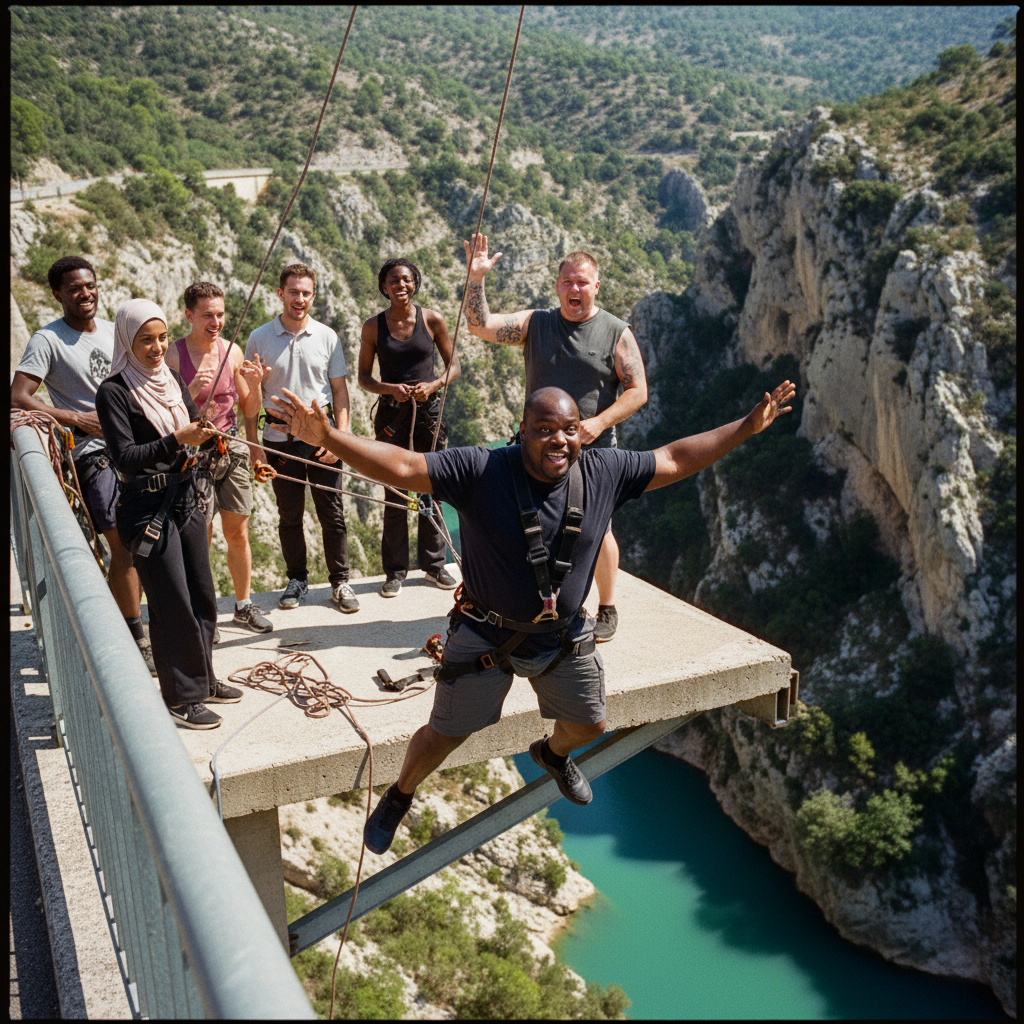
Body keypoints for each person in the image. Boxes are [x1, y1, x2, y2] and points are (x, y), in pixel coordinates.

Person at [268, 377, 796, 854]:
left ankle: (552, 754)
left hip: (563, 637)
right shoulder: (480, 469)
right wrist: (331, 438)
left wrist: (746, 428)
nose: (558, 441)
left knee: (590, 724)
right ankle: (400, 794)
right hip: (483, 636)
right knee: (443, 736)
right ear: (520, 431)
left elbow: (676, 459)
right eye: (544, 430)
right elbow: (405, 467)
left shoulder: (603, 471)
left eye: (568, 429)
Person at [463, 236, 649, 644]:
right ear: (558, 286)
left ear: (596, 286)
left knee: (597, 530)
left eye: (582, 282)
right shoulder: (538, 323)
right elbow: (479, 326)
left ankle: (607, 606)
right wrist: (475, 279)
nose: (574, 289)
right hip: (534, 449)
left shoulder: (615, 332)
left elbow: (638, 391)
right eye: (567, 282)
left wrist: (598, 423)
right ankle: (535, 602)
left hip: (591, 450)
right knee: (528, 522)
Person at [96, 299, 245, 729]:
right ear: (127, 340)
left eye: (162, 338)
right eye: (146, 340)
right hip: (146, 506)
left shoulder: (171, 378)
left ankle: (204, 677)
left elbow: (188, 423)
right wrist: (178, 439)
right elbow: (125, 457)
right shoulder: (115, 392)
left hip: (186, 495)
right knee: (171, 601)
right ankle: (182, 697)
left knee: (201, 592)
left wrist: (203, 432)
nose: (157, 347)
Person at [11, 256, 156, 674]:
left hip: (132, 445)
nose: (85, 293)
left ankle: (144, 626)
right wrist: (76, 418)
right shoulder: (48, 341)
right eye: (74, 288)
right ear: (58, 294)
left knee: (153, 538)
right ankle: (135, 636)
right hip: (93, 454)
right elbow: (19, 395)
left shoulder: (114, 333)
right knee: (123, 545)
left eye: (90, 285)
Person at [241, 263, 359, 614]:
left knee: (332, 513)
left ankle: (340, 582)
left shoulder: (327, 336)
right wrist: (254, 448)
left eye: (306, 292)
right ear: (280, 294)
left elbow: (340, 392)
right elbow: (249, 400)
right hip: (278, 439)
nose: (300, 299)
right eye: (293, 291)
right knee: (289, 514)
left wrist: (338, 437)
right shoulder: (259, 338)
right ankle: (297, 579)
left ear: (313, 296)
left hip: (321, 435)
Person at [165, 282, 273, 638]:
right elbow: (165, 416)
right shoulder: (174, 356)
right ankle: (204, 611)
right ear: (189, 315)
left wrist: (255, 385)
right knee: (202, 536)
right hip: (193, 453)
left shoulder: (232, 352)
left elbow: (248, 409)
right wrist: (192, 389)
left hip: (231, 447)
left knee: (238, 532)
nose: (216, 322)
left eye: (220, 314)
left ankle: (243, 606)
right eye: (208, 315)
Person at [358, 257, 461, 598]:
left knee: (430, 485)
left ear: (415, 283)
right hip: (392, 415)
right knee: (395, 489)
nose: (400, 285)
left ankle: (433, 565)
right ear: (384, 286)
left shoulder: (432, 320)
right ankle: (395, 571)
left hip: (428, 413)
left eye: (406, 279)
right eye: (393, 280)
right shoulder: (373, 327)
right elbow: (363, 378)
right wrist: (391, 389)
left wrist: (433, 385)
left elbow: (454, 367)